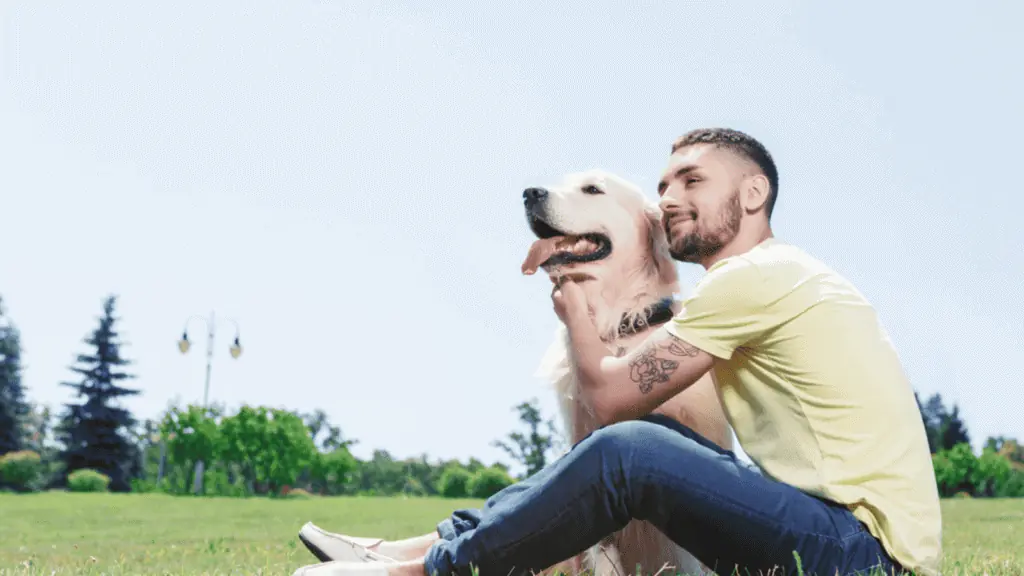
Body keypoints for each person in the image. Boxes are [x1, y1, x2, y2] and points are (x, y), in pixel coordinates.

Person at [291, 128, 943, 576]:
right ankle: (414, 547)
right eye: (662, 187)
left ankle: (423, 569)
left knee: (629, 450)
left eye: (692, 180)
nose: (669, 200)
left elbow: (608, 402)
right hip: (840, 542)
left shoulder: (757, 276)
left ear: (753, 194)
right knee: (649, 438)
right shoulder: (763, 280)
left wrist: (574, 300)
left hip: (862, 558)